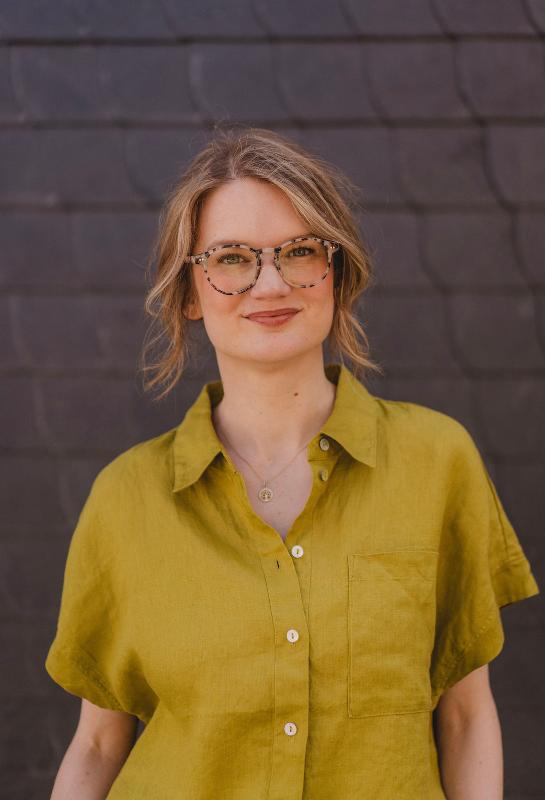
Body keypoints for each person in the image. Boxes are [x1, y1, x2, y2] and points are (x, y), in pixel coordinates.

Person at [45, 125, 540, 799]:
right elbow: (100, 742)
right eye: (230, 259)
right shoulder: (125, 498)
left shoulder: (436, 461)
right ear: (189, 291)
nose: (269, 283)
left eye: (299, 252)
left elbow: (463, 716)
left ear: (333, 271)